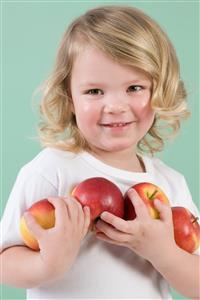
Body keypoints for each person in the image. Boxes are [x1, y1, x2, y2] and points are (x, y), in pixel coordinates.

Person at [0, 5, 199, 300]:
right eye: (94, 91)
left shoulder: (170, 184)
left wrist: (163, 253)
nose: (116, 105)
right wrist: (48, 264)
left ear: (160, 92)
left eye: (134, 87)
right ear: (69, 99)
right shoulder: (53, 168)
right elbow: (5, 261)